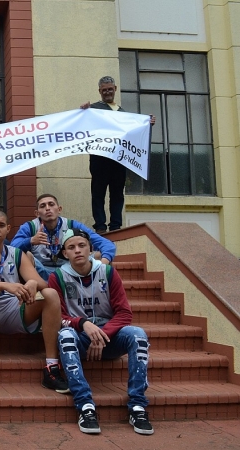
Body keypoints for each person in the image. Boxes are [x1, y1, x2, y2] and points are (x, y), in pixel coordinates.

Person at [49, 228, 153, 435]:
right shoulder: (57, 277)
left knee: (138, 334)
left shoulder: (108, 272)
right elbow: (58, 317)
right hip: (80, 336)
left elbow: (124, 313)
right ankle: (85, 406)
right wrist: (83, 324)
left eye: (82, 246)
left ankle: (138, 406)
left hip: (110, 338)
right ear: (64, 253)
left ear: (91, 249)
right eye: (71, 247)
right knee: (65, 336)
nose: (77, 250)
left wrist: (102, 335)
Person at [0, 210, 69, 395]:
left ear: (8, 229)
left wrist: (33, 282)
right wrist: (5, 285)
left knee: (50, 294)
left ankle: (51, 368)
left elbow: (41, 283)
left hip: (14, 309)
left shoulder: (16, 253)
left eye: (1, 226)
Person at [80, 76, 156, 233]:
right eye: (104, 90)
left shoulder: (123, 113)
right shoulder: (93, 109)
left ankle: (115, 226)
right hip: (100, 159)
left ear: (115, 89)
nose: (107, 92)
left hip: (119, 160)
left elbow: (133, 133)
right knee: (98, 193)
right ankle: (100, 226)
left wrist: (147, 124)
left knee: (117, 193)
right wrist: (82, 111)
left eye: (110, 89)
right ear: (99, 91)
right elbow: (82, 124)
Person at [12, 194, 116, 281]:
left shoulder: (71, 225)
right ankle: (34, 293)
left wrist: (102, 265)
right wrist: (31, 240)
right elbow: (12, 249)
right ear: (37, 213)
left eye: (51, 204)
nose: (47, 208)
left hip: (69, 269)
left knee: (99, 255)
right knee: (25, 255)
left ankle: (98, 289)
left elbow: (107, 245)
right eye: (43, 206)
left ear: (59, 209)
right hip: (40, 270)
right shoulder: (30, 227)